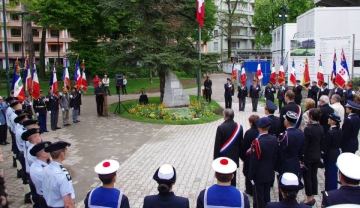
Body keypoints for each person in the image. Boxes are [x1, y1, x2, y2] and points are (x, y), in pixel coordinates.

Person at [248, 117, 278, 208]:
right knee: (267, 195)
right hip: (269, 172)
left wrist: (251, 175)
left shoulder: (257, 143)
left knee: (258, 197)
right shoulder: (274, 139)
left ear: (259, 128)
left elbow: (254, 161)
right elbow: (276, 156)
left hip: (259, 174)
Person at [214, 108, 243, 186]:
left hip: (223, 158)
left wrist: (215, 160)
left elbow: (217, 146)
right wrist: (242, 157)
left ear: (225, 116)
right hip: (234, 157)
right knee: (233, 177)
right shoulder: (239, 127)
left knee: (222, 177)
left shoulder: (221, 128)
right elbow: (241, 143)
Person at [301, 108, 324, 206]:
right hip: (317, 155)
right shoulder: (321, 128)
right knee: (314, 176)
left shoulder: (308, 129)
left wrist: (302, 157)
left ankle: (308, 198)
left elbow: (305, 144)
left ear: (310, 116)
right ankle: (313, 196)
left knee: (307, 177)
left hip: (309, 156)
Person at [42, 141, 75, 208]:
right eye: (66, 150)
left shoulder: (46, 168)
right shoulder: (62, 174)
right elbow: (68, 204)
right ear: (62, 154)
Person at [239, 115, 259, 196]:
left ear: (251, 123)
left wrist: (242, 157)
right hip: (257, 156)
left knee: (248, 173)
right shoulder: (260, 131)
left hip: (249, 156)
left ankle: (249, 190)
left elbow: (244, 146)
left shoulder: (249, 132)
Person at [322, 113, 342, 192]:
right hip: (336, 153)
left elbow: (326, 146)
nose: (328, 120)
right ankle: (329, 189)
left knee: (330, 174)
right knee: (332, 173)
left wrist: (323, 156)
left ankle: (330, 191)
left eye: (329, 119)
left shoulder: (330, 133)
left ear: (333, 121)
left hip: (330, 155)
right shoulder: (339, 130)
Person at [29, 141, 51, 208]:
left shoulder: (37, 164)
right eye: (49, 150)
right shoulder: (41, 170)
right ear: (44, 154)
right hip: (47, 199)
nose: (51, 151)